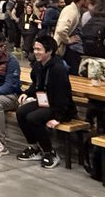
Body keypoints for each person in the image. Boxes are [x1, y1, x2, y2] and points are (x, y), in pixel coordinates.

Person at [13, 35, 75, 167]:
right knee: (21, 112)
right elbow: (36, 84)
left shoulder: (58, 69)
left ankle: (49, 152)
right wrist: (26, 93)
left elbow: (63, 96)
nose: (35, 52)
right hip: (44, 102)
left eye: (39, 49)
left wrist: (58, 118)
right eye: (34, 49)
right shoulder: (38, 66)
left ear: (49, 51)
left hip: (60, 107)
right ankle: (34, 147)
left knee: (33, 118)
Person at [54, 0, 92, 75]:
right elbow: (61, 30)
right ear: (82, 0)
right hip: (63, 48)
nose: (89, 1)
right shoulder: (71, 11)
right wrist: (68, 40)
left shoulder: (74, 10)